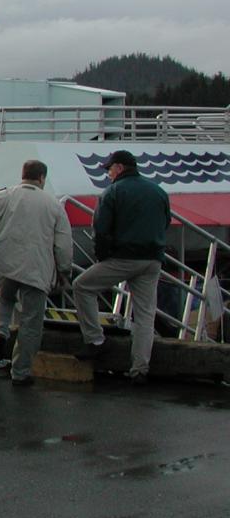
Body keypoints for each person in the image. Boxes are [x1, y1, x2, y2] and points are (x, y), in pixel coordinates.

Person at [0, 160, 73, 386]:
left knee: (3, 299)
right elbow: (63, 246)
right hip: (37, 270)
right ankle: (20, 372)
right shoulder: (53, 206)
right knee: (31, 323)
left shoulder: (4, 197)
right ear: (41, 178)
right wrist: (63, 271)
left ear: (22, 175)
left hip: (6, 264)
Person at [72, 150, 171, 383]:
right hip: (153, 260)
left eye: (108, 169)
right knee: (145, 315)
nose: (108, 174)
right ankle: (139, 370)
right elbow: (165, 222)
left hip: (123, 258)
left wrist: (103, 258)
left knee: (82, 286)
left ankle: (96, 340)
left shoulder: (113, 192)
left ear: (118, 167)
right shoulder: (158, 191)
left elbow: (101, 230)